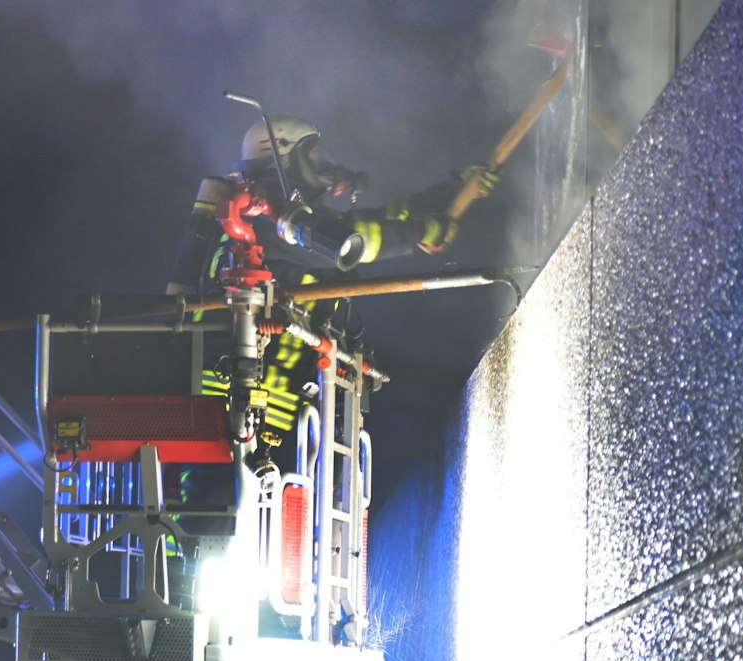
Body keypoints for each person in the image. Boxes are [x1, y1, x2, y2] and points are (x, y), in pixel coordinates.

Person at [167, 115, 500, 463]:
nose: (323, 164)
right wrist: (419, 234)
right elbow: (352, 241)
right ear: (284, 160)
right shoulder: (262, 220)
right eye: (312, 155)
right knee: (222, 503)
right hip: (231, 414)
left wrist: (453, 189)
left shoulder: (287, 219)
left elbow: (375, 220)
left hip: (278, 410)